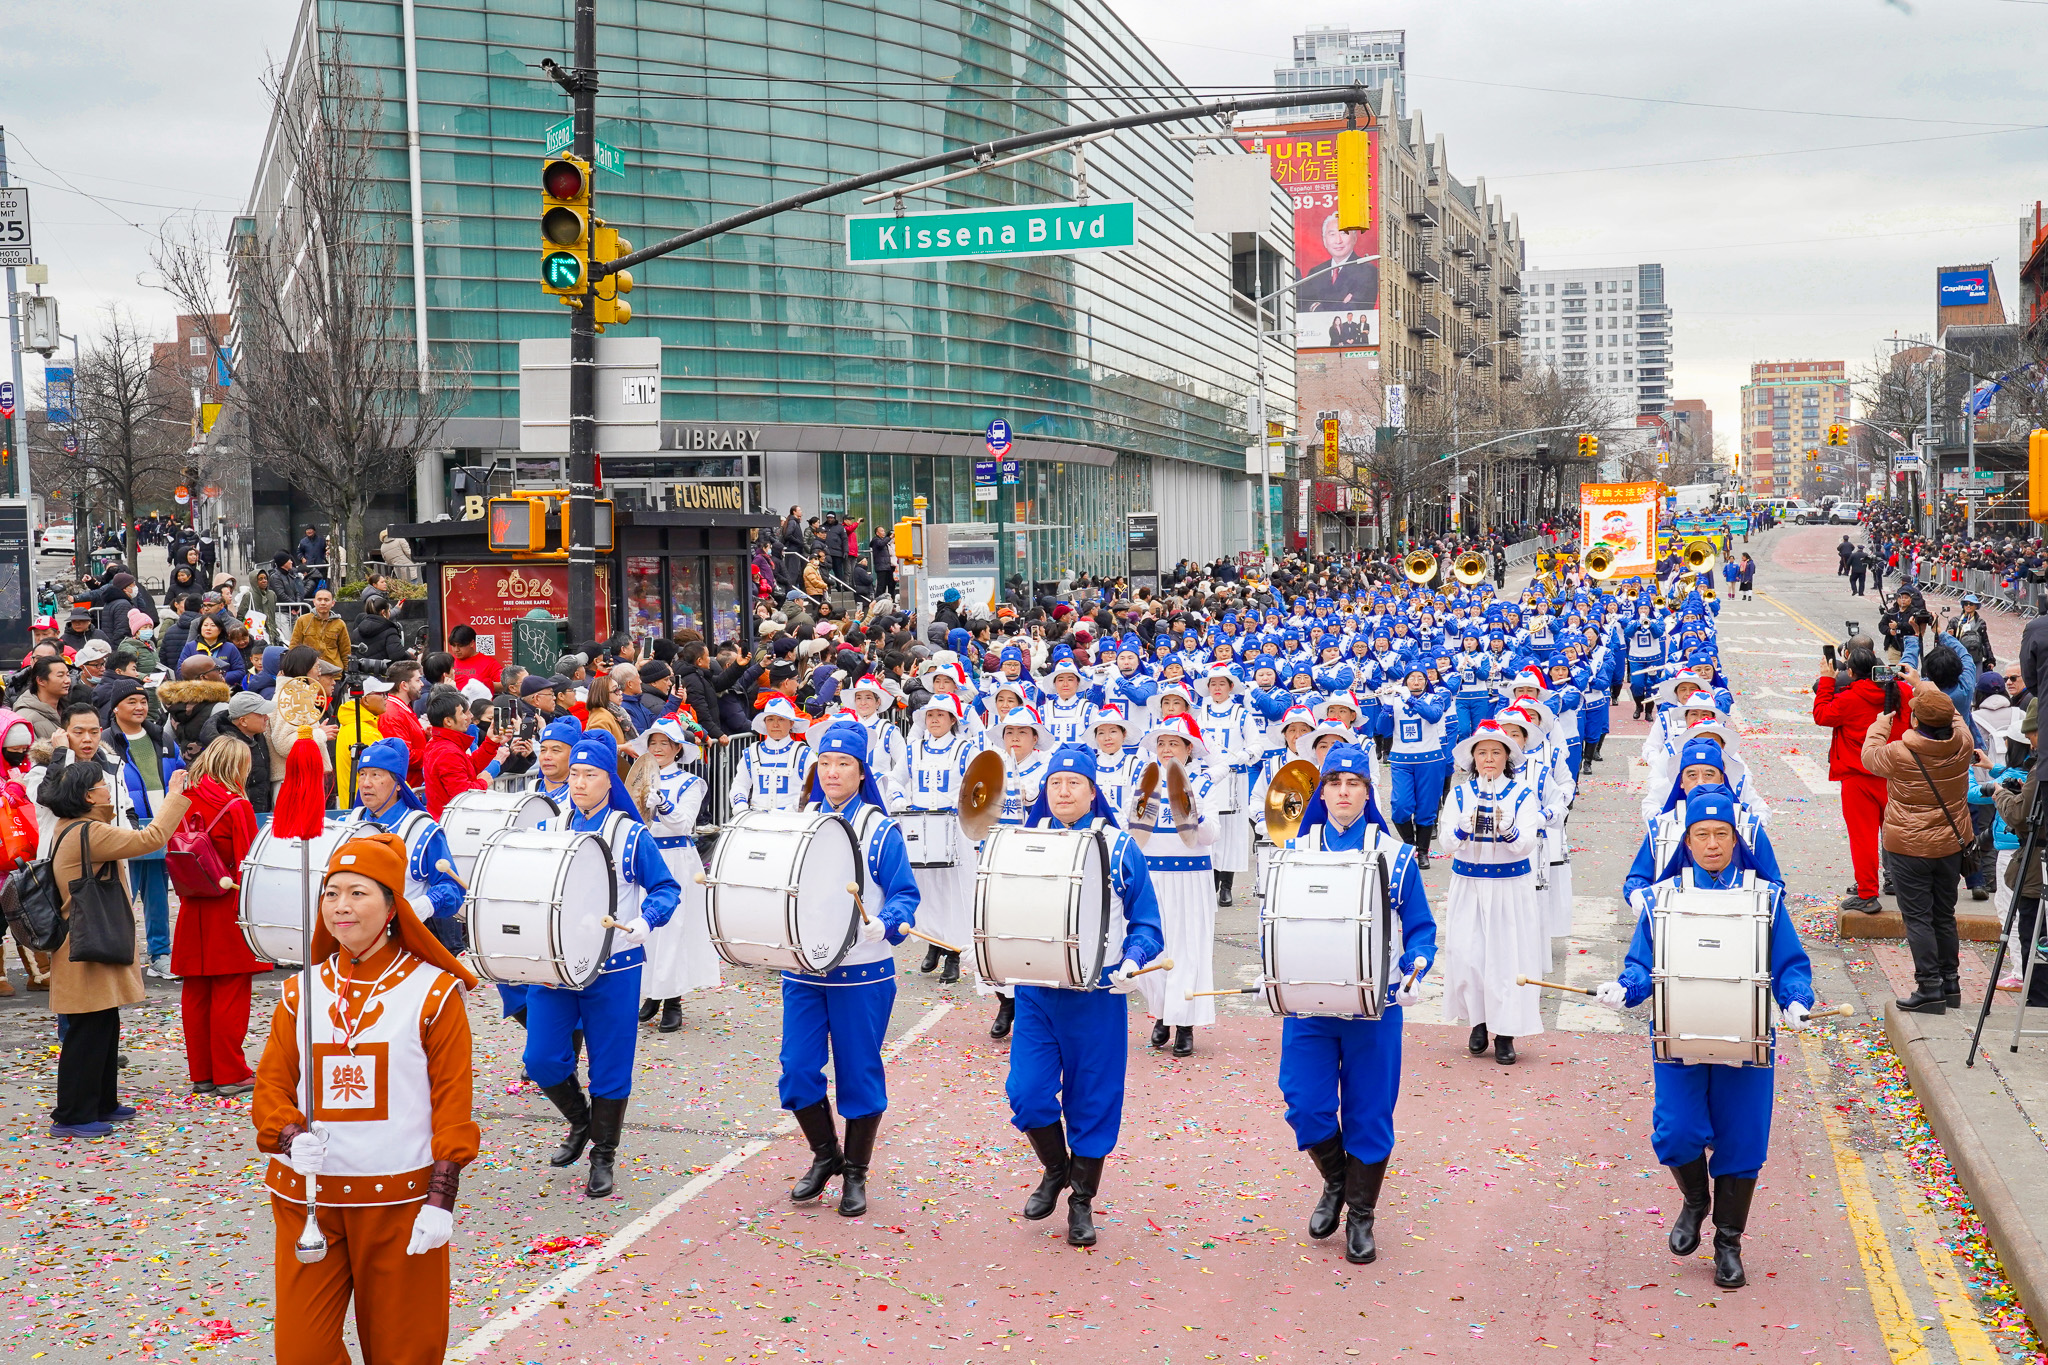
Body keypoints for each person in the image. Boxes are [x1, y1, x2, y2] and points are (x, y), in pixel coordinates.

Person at [252, 828, 477, 1364]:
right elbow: (272, 1084)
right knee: (302, 1353)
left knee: (405, 1351)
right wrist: (287, 1132)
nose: (340, 907)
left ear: (393, 905)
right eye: (331, 893)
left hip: (400, 1201)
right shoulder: (301, 988)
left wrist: (442, 1194)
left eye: (358, 892)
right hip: (309, 1199)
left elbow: (452, 1099)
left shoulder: (434, 991)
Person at [1595, 786, 1816, 1290]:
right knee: (1675, 1131)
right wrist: (1624, 989)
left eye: (1722, 834)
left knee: (1742, 1141)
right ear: (1687, 843)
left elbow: (1790, 964)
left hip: (1749, 1039)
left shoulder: (1765, 898)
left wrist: (1797, 998)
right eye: (1702, 835)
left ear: (1736, 839)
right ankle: (1696, 1200)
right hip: (1679, 1037)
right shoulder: (1661, 900)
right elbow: (1640, 965)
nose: (1712, 843)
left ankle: (1728, 1243)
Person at [1275, 742, 1434, 1264]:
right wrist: (1270, 969)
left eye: (1355, 784)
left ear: (1369, 794)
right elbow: (1275, 923)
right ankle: (1337, 1183)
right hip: (1309, 1003)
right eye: (1335, 783)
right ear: (1322, 792)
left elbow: (1421, 931)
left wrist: (1416, 965)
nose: (1344, 792)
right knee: (1304, 1103)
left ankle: (1361, 1215)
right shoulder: (1296, 849)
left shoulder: (1397, 854)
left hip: (1376, 1006)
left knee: (1369, 1112)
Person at [1006, 746, 1163, 1247]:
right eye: (1055, 784)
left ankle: (1080, 1200)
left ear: (1093, 792)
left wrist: (1134, 958)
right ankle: (1056, 1169)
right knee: (1027, 1093)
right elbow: (999, 905)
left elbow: (1147, 921)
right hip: (1037, 992)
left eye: (1075, 783)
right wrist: (986, 951)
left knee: (1092, 1103)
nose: (1064, 792)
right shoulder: (1024, 843)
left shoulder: (1118, 847)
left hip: (1097, 994)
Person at [527, 729, 679, 1198]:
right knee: (542, 1058)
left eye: (589, 774)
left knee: (611, 1065)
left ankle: (603, 1155)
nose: (578, 782)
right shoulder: (549, 829)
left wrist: (644, 923)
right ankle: (581, 1121)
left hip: (614, 966)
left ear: (609, 780)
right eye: (574, 773)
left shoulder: (630, 834)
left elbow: (666, 890)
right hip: (555, 966)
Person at [782, 721, 921, 1218]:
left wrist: (884, 924)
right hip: (803, 971)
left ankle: (856, 1173)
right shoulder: (801, 822)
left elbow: (906, 895)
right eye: (825, 763)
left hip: (863, 972)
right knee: (797, 1070)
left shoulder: (881, 830)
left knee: (858, 1073)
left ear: (862, 773)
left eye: (844, 764)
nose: (833, 772)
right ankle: (826, 1156)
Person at [38, 761, 192, 1136]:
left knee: (103, 1023)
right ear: (89, 797)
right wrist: (174, 795)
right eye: (101, 786)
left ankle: (102, 1101)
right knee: (87, 1030)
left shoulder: (74, 829)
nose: (109, 791)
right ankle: (73, 1114)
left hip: (88, 942)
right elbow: (151, 838)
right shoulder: (87, 832)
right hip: (86, 945)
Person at [1860, 681, 1976, 1013]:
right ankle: (1950, 984)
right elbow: (1956, 717)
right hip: (1950, 846)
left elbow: (1869, 756)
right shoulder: (1963, 745)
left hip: (1908, 848)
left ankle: (1929, 989)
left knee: (1919, 919)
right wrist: (1927, 687)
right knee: (1944, 915)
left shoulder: (1899, 752)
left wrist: (1881, 724)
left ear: (1914, 721)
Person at [1437, 719, 1545, 1066]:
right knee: (1468, 956)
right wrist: (1461, 828)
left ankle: (1506, 1032)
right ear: (1472, 758)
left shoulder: (1522, 794)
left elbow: (1526, 844)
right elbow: (1445, 842)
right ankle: (1478, 1022)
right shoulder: (1458, 794)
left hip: (1508, 887)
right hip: (1468, 884)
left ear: (1507, 757)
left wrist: (1510, 829)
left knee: (1507, 960)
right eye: (1481, 752)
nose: (1488, 759)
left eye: (1495, 752)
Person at [171, 738, 266, 1097]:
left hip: (192, 905)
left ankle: (202, 1073)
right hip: (227, 905)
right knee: (230, 991)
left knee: (196, 991)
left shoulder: (184, 799)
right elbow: (248, 862)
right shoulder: (237, 805)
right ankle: (230, 1072)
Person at [1128, 713, 1222, 1058]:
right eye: (1161, 743)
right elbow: (1133, 827)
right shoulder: (1146, 779)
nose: (1166, 749)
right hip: (1152, 875)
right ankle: (1162, 1014)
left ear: (1189, 749)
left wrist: (1193, 815)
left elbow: (1212, 833)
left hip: (1191, 876)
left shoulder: (1204, 782)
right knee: (1153, 946)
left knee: (1188, 948)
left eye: (1174, 744)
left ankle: (1185, 1023)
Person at [629, 718, 716, 1033]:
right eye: (653, 743)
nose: (657, 749)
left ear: (677, 748)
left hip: (677, 858)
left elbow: (685, 825)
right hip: (647, 855)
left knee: (674, 928)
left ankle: (673, 999)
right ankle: (652, 993)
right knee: (645, 926)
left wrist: (663, 804)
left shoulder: (690, 783)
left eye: (664, 743)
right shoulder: (639, 778)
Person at [100, 676, 183, 979]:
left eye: (143, 701)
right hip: (123, 828)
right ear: (116, 708)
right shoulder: (105, 742)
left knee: (158, 895)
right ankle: (117, 956)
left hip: (159, 827)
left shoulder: (163, 737)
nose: (139, 707)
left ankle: (160, 955)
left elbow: (177, 775)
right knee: (121, 894)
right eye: (131, 701)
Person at [895, 693, 977, 983]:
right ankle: (934, 943)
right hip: (920, 827)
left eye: (941, 715)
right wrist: (897, 798)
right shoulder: (913, 748)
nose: (935, 720)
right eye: (931, 715)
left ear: (953, 719)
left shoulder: (965, 749)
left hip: (954, 828)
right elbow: (896, 779)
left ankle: (954, 952)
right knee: (926, 890)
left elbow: (978, 788)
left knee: (954, 890)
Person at [349, 738, 466, 926]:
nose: (365, 783)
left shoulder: (422, 830)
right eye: (362, 774)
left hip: (403, 938)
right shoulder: (349, 822)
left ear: (398, 785)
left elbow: (452, 887)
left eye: (376, 775)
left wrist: (424, 904)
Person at [1814, 645, 1893, 914]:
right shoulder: (1896, 693)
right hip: (1892, 774)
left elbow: (1822, 715)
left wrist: (1826, 679)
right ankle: (1909, 887)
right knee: (1901, 835)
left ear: (1849, 671)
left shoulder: (1848, 699)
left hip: (1858, 778)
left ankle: (1868, 893)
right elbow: (1911, 691)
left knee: (1864, 839)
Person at [421, 690, 499, 819]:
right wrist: (483, 782)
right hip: (450, 823)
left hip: (447, 818)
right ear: (448, 721)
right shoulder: (447, 751)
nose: (468, 717)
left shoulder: (440, 744)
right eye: (462, 712)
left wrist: (491, 743)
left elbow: (468, 767)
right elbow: (461, 793)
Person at [288, 589, 351, 670]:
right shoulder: (303, 620)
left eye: (326, 600)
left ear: (333, 603)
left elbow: (345, 651)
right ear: (314, 602)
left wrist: (347, 672)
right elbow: (294, 646)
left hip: (333, 672)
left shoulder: (339, 624)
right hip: (308, 670)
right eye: (319, 599)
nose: (323, 603)